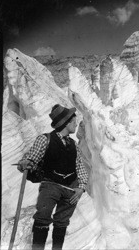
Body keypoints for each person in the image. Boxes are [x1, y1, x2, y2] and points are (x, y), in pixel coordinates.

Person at [17, 104, 88, 250]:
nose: (75, 125)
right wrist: (25, 163)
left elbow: (80, 167)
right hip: (51, 186)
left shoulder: (74, 145)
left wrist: (81, 188)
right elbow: (31, 158)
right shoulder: (45, 139)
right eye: (74, 122)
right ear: (67, 123)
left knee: (62, 222)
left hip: (71, 189)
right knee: (42, 218)